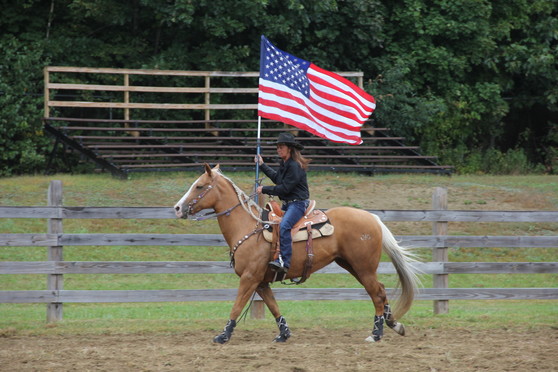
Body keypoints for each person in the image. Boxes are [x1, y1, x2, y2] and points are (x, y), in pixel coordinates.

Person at [255, 132, 311, 274]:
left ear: (290, 148)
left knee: (285, 226)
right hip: (288, 204)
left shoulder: (294, 166)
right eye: (278, 147)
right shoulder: (285, 163)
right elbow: (277, 179)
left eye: (281, 147)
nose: (278, 150)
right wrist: (262, 165)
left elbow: (285, 188)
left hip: (297, 204)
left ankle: (284, 262)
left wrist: (264, 189)